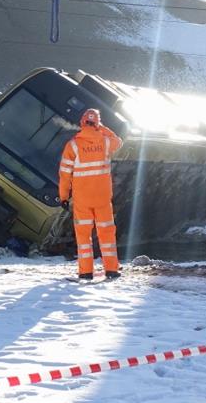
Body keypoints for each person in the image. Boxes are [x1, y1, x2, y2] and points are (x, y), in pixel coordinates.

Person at [58, 108, 124, 281]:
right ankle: (111, 269)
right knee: (107, 234)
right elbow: (119, 141)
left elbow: (65, 173)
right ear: (97, 124)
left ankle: (86, 272)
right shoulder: (105, 142)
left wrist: (63, 196)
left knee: (83, 235)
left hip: (82, 200)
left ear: (81, 123)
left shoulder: (73, 145)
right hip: (103, 199)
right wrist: (101, 128)